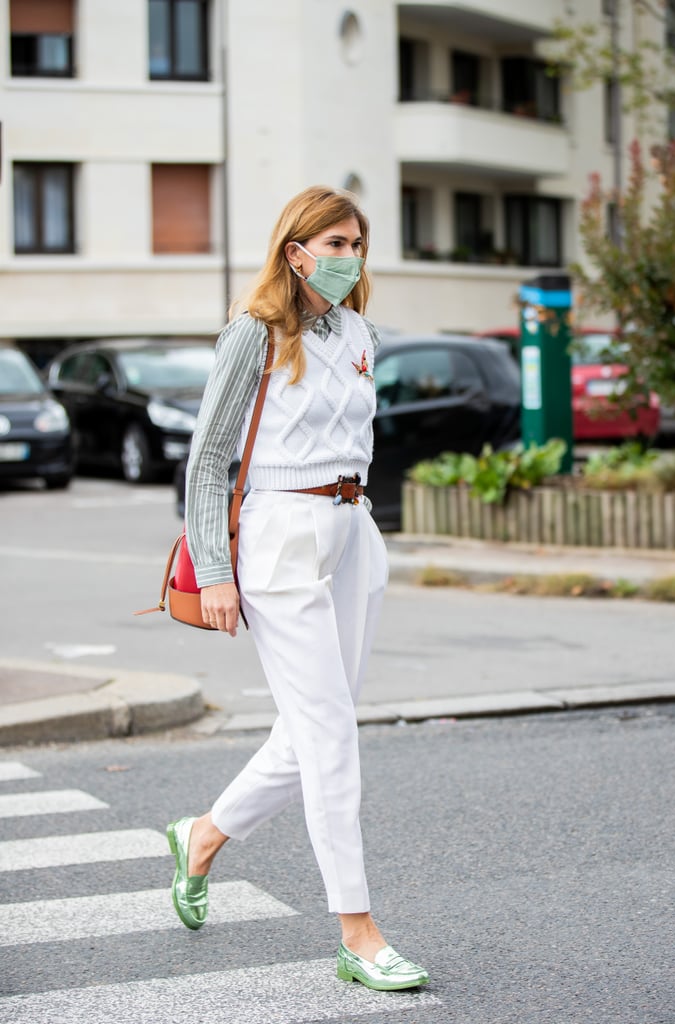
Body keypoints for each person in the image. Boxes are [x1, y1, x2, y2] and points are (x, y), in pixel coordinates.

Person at [166, 185, 429, 992]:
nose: (349, 257)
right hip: (279, 539)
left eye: (357, 242)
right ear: (296, 251)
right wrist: (215, 570)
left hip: (354, 535)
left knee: (320, 725)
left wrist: (362, 532)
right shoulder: (254, 333)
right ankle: (357, 930)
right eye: (335, 243)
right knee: (329, 737)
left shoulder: (360, 334)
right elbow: (209, 462)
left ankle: (203, 835)